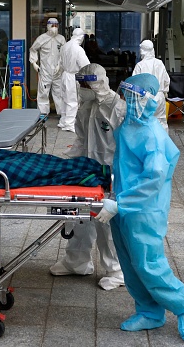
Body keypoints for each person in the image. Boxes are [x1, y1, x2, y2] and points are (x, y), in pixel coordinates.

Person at [95, 73, 184, 342]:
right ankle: (149, 311)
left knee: (149, 265)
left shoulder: (152, 135)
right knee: (131, 265)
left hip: (144, 210)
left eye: (133, 97)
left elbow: (153, 179)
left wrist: (120, 203)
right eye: (127, 96)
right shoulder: (128, 126)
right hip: (121, 205)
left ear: (147, 100)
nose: (128, 102)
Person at [53, 63, 126, 290]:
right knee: (80, 216)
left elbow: (126, 147)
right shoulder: (87, 107)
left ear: (97, 83)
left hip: (111, 173)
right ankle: (77, 262)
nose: (82, 88)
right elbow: (82, 139)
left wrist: (120, 176)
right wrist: (70, 160)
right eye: (81, 84)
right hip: (87, 171)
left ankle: (117, 270)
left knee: (106, 223)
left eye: (86, 84)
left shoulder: (118, 108)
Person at [29, 18, 66, 115]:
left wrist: (60, 64)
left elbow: (64, 53)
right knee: (43, 93)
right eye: (52, 26)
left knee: (59, 93)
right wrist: (34, 63)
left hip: (58, 72)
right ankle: (43, 113)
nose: (54, 28)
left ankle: (62, 114)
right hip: (45, 71)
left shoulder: (61, 39)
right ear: (48, 26)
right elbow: (33, 49)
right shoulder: (42, 38)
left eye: (56, 26)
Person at [132, 39, 170, 132]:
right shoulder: (159, 63)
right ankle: (162, 144)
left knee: (144, 123)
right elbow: (166, 80)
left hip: (145, 97)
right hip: (159, 96)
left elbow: (134, 84)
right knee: (161, 122)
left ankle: (147, 144)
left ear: (142, 50)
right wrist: (164, 92)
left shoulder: (140, 65)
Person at [58, 27, 90, 133]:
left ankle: (63, 121)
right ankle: (69, 124)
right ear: (81, 37)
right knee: (72, 101)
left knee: (64, 99)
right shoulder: (78, 49)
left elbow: (60, 63)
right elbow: (85, 66)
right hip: (73, 76)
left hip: (64, 75)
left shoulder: (64, 46)